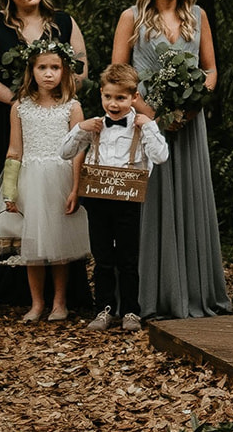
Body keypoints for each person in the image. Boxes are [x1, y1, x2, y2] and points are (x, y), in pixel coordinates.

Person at [0, 0, 90, 304]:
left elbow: (80, 69)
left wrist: (53, 100)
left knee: (53, 205)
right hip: (5, 117)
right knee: (15, 200)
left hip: (55, 119)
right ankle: (4, 286)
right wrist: (20, 101)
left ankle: (61, 294)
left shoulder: (64, 22)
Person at [111, 0, 228, 319]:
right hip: (147, 122)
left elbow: (211, 70)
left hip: (189, 124)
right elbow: (118, 74)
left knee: (191, 198)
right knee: (151, 204)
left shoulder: (197, 15)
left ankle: (194, 292)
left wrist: (193, 105)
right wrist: (151, 114)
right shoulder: (131, 18)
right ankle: (150, 295)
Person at [0, 38, 91, 321]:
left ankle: (60, 303)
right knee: (32, 245)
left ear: (64, 71)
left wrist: (76, 188)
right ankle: (37, 304)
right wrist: (10, 190)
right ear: (31, 70)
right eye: (42, 67)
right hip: (30, 181)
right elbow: (14, 150)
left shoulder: (72, 107)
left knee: (60, 244)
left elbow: (79, 151)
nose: (48, 74)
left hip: (61, 179)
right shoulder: (20, 107)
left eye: (55, 68)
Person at [61, 63, 170, 331]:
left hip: (128, 201)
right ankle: (104, 309)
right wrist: (80, 128)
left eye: (120, 98)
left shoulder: (141, 127)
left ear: (134, 97)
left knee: (128, 259)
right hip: (97, 201)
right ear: (101, 94)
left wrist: (150, 127)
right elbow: (65, 153)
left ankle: (131, 311)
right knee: (102, 259)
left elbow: (160, 157)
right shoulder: (95, 126)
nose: (113, 103)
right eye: (108, 96)